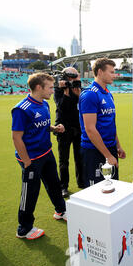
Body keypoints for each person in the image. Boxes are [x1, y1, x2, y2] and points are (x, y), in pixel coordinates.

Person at [12, 72, 67, 240]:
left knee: (54, 184)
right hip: (32, 159)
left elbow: (41, 125)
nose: (53, 90)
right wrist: (27, 161)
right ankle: (24, 228)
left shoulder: (44, 104)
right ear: (38, 87)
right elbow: (16, 137)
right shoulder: (22, 109)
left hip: (46, 153)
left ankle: (60, 210)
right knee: (30, 192)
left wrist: (54, 128)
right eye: (50, 87)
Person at [79, 58, 126, 186]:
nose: (114, 75)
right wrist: (107, 156)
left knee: (112, 186)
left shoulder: (107, 93)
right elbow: (90, 129)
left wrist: (118, 146)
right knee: (97, 190)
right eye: (111, 72)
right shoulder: (90, 95)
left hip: (109, 148)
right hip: (94, 151)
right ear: (100, 72)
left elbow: (110, 123)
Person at [53, 67, 85, 197]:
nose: (75, 79)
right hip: (63, 128)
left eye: (76, 76)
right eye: (72, 77)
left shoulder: (79, 88)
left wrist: (78, 95)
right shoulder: (58, 89)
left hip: (78, 128)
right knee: (63, 160)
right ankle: (63, 187)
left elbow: (84, 107)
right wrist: (66, 90)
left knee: (80, 158)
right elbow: (61, 107)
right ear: (65, 77)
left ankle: (82, 182)